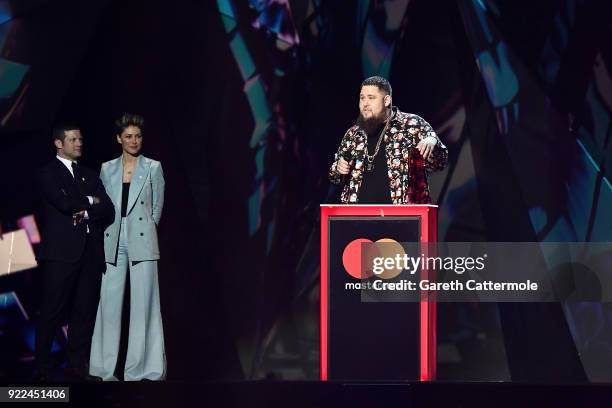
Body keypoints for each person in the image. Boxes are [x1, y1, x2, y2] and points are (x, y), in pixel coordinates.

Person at [34, 123, 114, 381]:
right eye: (73, 139)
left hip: (90, 253)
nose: (79, 143)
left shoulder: (90, 174)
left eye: (80, 139)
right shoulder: (47, 173)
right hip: (60, 253)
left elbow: (108, 207)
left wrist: (89, 206)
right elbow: (64, 203)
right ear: (59, 143)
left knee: (84, 311)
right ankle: (43, 368)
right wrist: (92, 200)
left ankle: (77, 366)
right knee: (52, 310)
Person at [89, 113, 166, 381]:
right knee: (108, 306)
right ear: (119, 139)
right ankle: (103, 369)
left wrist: (141, 231)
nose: (134, 141)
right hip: (112, 237)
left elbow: (156, 209)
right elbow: (102, 204)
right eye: (129, 136)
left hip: (142, 238)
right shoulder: (107, 168)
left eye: (138, 136)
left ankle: (143, 370)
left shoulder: (153, 167)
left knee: (145, 305)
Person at [329, 76, 448, 203]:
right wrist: (338, 168)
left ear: (386, 100)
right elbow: (334, 177)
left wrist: (433, 143)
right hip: (358, 218)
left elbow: (439, 163)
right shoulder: (353, 133)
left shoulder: (412, 125)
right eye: (362, 98)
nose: (365, 103)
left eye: (371, 98)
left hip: (402, 217)